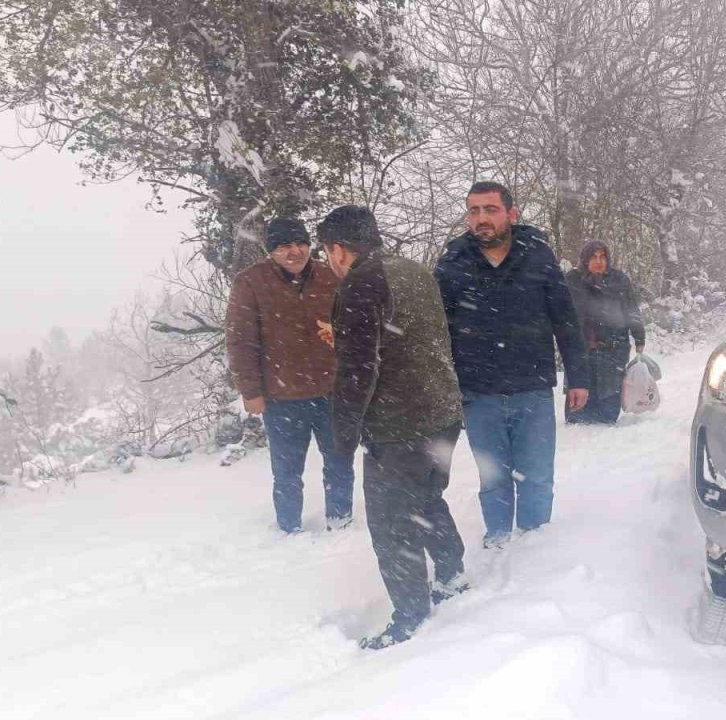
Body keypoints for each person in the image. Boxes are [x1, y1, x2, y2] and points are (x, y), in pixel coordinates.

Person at [318, 205, 467, 650]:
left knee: (391, 523)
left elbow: (358, 370)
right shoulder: (412, 270)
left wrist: (343, 435)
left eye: (326, 252)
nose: (329, 261)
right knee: (427, 498)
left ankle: (410, 617)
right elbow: (410, 339)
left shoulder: (360, 283)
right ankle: (452, 575)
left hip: (400, 425)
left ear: (338, 249)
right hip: (442, 413)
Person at [434, 181, 588, 547]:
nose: (482, 218)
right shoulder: (453, 263)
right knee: (493, 479)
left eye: (490, 209)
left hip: (532, 388)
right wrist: (445, 385)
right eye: (474, 211)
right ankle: (499, 542)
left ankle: (535, 547)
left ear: (511, 213)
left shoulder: (538, 256)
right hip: (478, 392)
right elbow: (439, 331)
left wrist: (578, 377)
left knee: (536, 477)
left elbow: (565, 319)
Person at [225, 217, 353, 534]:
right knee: (286, 472)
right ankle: (288, 527)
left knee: (339, 462)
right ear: (271, 251)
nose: (295, 252)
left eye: (300, 244)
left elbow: (354, 329)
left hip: (331, 392)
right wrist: (251, 391)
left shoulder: (330, 276)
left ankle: (341, 521)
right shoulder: (251, 282)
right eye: (284, 246)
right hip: (281, 397)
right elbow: (241, 341)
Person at [564, 240, 646, 425]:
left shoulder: (619, 280)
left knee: (608, 408)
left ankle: (605, 431)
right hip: (581, 349)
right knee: (578, 413)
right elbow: (562, 313)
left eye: (602, 257)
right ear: (585, 259)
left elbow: (631, 311)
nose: (599, 261)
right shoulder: (573, 281)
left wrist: (639, 337)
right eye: (593, 257)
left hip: (613, 348)